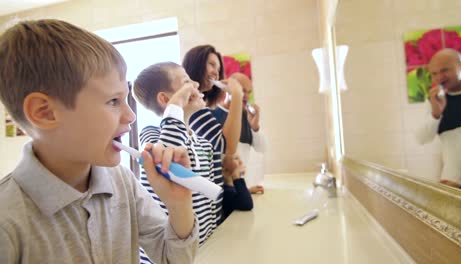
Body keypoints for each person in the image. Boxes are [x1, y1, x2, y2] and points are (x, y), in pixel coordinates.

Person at [0, 19, 198, 263]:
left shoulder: (123, 182)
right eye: (114, 101)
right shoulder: (7, 220)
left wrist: (179, 205)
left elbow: (173, 259)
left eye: (125, 98)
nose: (131, 116)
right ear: (45, 112)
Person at [133, 62, 243, 250]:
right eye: (186, 82)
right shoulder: (151, 135)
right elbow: (166, 156)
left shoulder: (203, 144)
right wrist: (175, 105)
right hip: (172, 254)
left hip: (205, 251)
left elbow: (213, 200)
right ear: (165, 99)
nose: (196, 85)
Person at [415, 48, 461, 190]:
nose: (439, 77)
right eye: (434, 73)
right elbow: (421, 138)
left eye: (445, 70)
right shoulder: (435, 101)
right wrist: (436, 114)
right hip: (453, 185)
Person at [212, 72, 267, 194]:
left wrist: (255, 127)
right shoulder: (212, 115)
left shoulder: (246, 116)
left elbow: (262, 148)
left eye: (249, 92)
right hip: (224, 194)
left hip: (241, 190)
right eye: (242, 90)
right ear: (228, 89)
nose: (246, 96)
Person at [221, 154, 254, 219]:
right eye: (236, 158)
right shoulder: (226, 191)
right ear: (223, 167)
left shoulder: (229, 188)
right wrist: (236, 177)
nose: (241, 162)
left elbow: (237, 194)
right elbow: (247, 204)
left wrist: (249, 190)